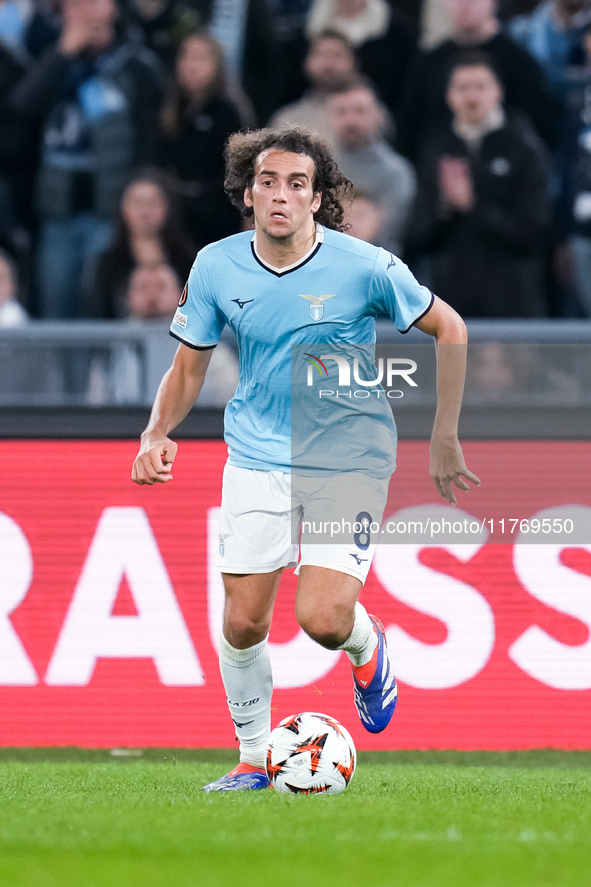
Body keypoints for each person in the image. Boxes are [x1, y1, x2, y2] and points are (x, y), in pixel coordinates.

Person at [131, 127, 480, 792]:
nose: (281, 194)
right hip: (257, 452)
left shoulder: (364, 266)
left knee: (320, 620)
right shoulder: (215, 265)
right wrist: (155, 432)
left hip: (347, 455)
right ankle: (252, 758)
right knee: (242, 620)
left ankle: (367, 646)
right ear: (248, 194)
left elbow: (450, 328)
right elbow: (188, 363)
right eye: (268, 181)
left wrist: (443, 433)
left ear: (317, 199)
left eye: (297, 183)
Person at [8, 0, 164, 318]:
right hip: (57, 212)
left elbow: (150, 143)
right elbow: (22, 110)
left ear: (114, 9)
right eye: (76, 5)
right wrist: (63, 54)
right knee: (56, 313)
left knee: (100, 307)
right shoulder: (47, 56)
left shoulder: (137, 65)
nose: (87, 12)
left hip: (111, 209)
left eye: (95, 3)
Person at [407, 52, 551, 317]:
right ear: (449, 96)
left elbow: (533, 231)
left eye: (480, 87)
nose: (472, 97)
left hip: (512, 299)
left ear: (498, 92)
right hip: (452, 298)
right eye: (462, 88)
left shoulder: (524, 148)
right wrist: (445, 209)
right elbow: (418, 235)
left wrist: (473, 206)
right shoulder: (436, 148)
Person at [397, 0, 560, 163]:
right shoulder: (427, 64)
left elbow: (543, 132)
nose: (464, 4)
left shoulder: (521, 63)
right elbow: (410, 131)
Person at [157, 30, 245, 248]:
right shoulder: (167, 109)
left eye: (201, 58)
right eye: (186, 56)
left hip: (217, 217)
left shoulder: (229, 112)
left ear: (217, 66)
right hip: (173, 214)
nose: (191, 65)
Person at [85, 168, 196, 318]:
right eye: (137, 203)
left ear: (168, 207)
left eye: (152, 203)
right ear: (122, 207)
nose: (145, 212)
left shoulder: (190, 263)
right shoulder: (106, 266)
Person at [328, 80, 416, 255]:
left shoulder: (396, 172)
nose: (351, 120)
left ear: (378, 116)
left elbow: (386, 232)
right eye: (342, 112)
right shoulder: (315, 167)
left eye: (360, 111)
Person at [268, 30, 359, 144]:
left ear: (354, 62)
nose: (329, 63)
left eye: (337, 55)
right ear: (306, 62)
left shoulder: (373, 116)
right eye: (321, 54)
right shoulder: (287, 120)